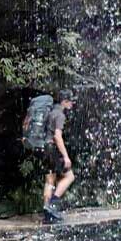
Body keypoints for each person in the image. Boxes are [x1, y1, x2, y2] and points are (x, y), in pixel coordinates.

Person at [43, 89, 75, 223]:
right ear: (64, 101)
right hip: (52, 150)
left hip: (44, 149)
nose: (72, 104)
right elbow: (57, 136)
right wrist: (66, 157)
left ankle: (47, 214)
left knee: (50, 180)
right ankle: (52, 204)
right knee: (69, 176)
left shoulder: (49, 112)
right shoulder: (60, 115)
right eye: (70, 101)